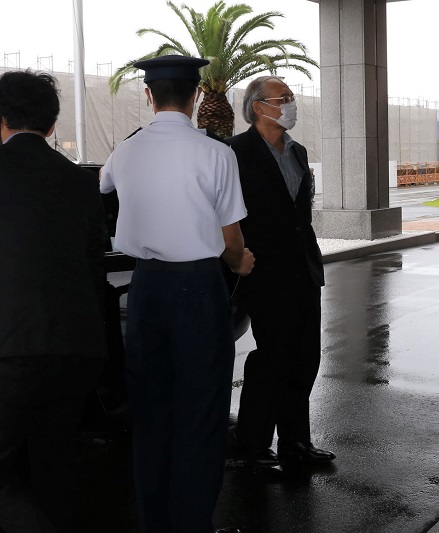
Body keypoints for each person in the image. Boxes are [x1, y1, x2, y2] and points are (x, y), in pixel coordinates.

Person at [99, 55, 254, 533]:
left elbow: (105, 187)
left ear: (148, 96)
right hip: (196, 288)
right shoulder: (215, 153)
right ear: (195, 96)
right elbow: (231, 236)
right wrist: (240, 262)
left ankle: (156, 523)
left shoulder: (124, 152)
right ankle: (192, 524)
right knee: (200, 411)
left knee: (151, 412)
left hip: (146, 289)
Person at [0, 69, 107, 532]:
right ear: (50, 124)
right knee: (55, 466)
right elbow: (93, 254)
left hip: (9, 349)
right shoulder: (79, 179)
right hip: (75, 346)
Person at [226, 76, 334, 468]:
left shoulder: (297, 151)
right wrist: (236, 256)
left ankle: (296, 443)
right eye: (282, 98)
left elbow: (298, 213)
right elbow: (226, 214)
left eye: (291, 98)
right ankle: (251, 446)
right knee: (273, 357)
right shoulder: (233, 153)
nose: (291, 104)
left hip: (303, 267)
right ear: (258, 106)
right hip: (262, 271)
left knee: (305, 357)